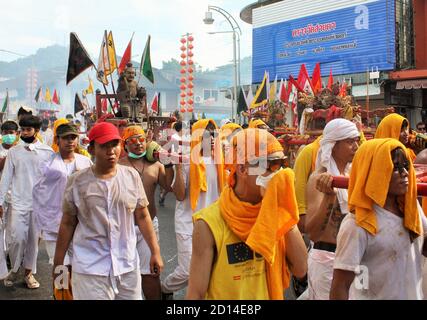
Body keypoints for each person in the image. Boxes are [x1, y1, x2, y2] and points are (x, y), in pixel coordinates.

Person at [186, 128, 307, 299]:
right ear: (242, 169)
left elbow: (301, 269)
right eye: (270, 165)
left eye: (281, 165)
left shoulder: (276, 213)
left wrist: (282, 210)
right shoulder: (208, 223)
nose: (278, 174)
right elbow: (196, 293)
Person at [53, 122, 163, 300]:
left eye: (115, 144)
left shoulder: (131, 176)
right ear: (91, 149)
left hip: (126, 265)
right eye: (104, 146)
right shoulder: (77, 182)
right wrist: (59, 263)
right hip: (90, 269)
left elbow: (142, 216)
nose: (111, 150)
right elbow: (67, 223)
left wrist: (155, 252)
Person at [330, 139, 427, 299]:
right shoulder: (357, 224)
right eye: (395, 167)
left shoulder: (411, 209)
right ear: (374, 171)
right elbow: (341, 286)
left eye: (406, 165)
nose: (405, 173)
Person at [162, 119, 226, 299]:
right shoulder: (187, 160)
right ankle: (165, 288)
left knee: (210, 271)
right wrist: (178, 165)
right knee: (187, 270)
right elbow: (180, 195)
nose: (212, 138)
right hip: (187, 223)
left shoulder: (220, 161)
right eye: (207, 134)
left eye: (214, 134)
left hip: (212, 225)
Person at [305, 118, 360, 300]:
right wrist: (330, 196)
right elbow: (312, 232)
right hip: (326, 259)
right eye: (349, 141)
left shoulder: (354, 175)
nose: (356, 146)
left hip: (354, 259)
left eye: (356, 140)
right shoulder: (318, 178)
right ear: (333, 146)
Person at [0, 115, 54, 289]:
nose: (24, 132)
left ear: (36, 131)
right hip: (17, 203)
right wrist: (0, 202)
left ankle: (28, 274)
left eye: (27, 129)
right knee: (16, 239)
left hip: (38, 205)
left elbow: (51, 181)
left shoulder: (47, 152)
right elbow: (6, 178)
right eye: (22, 129)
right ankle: (15, 269)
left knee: (32, 242)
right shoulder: (14, 152)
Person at [119, 125, 171, 300]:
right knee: (123, 273)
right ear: (125, 145)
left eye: (141, 140)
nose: (138, 144)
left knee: (151, 272)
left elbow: (167, 187)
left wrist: (169, 162)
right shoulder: (119, 165)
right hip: (123, 227)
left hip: (149, 225)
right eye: (132, 141)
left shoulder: (156, 165)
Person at [33, 123, 92, 265]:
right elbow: (36, 192)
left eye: (73, 137)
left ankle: (74, 288)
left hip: (81, 223)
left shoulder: (85, 162)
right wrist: (41, 219)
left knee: (79, 266)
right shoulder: (47, 163)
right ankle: (61, 288)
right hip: (54, 223)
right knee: (60, 266)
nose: (70, 141)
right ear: (57, 140)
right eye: (66, 138)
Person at [0, 121, 19, 280]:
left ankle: (10, 256)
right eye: (6, 131)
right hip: (1, 197)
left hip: (16, 197)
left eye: (12, 131)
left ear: (17, 134)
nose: (8, 135)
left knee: (13, 231)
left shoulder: (21, 150)